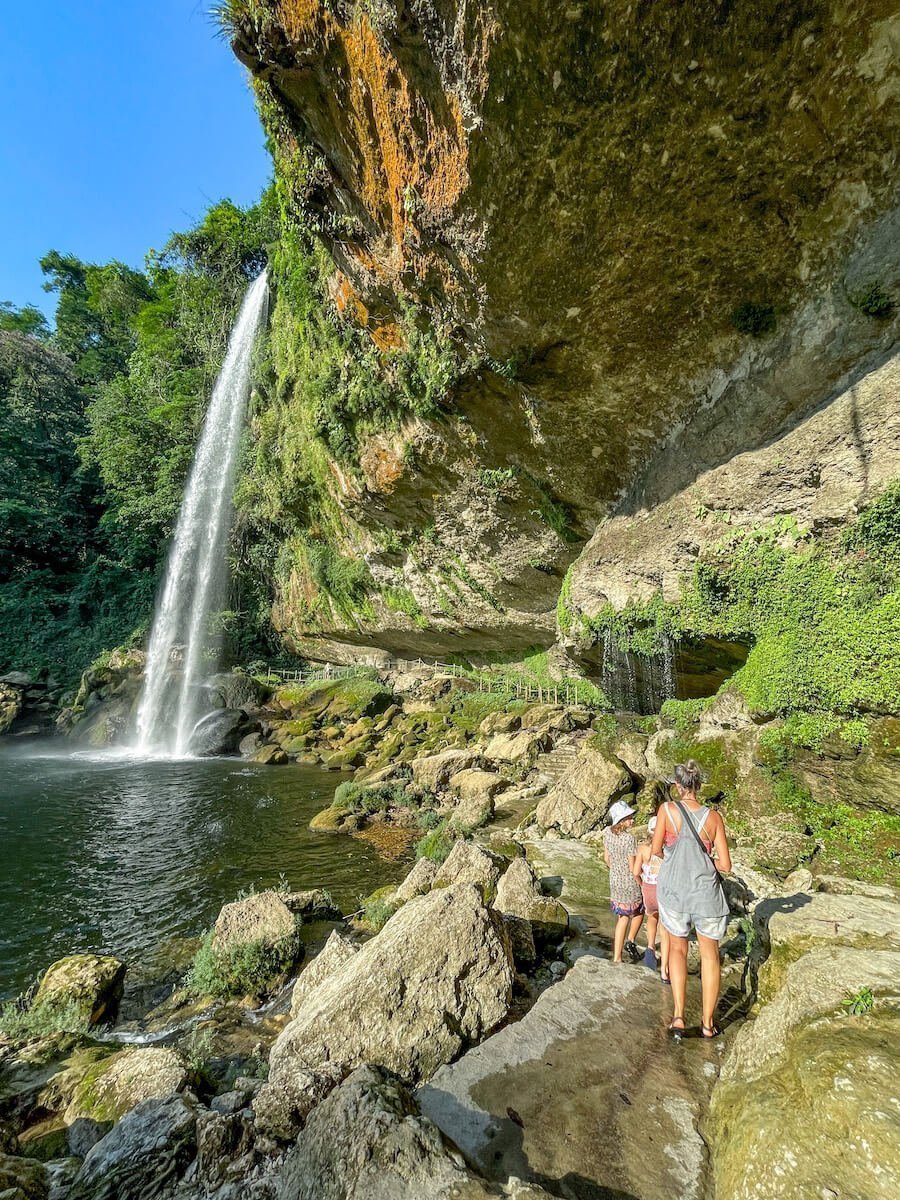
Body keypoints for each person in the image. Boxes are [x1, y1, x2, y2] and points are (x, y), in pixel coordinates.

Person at [651, 760, 732, 1039]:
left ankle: (679, 1016)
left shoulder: (667, 811)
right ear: (699, 786)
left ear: (677, 786)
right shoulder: (714, 818)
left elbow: (656, 849)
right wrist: (706, 857)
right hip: (706, 896)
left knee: (677, 950)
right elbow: (726, 865)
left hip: (674, 892)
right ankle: (708, 1023)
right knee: (711, 955)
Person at [602, 799, 644, 963]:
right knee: (639, 911)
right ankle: (631, 941)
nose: (632, 820)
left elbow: (606, 858)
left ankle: (617, 957)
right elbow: (634, 868)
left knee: (622, 918)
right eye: (629, 818)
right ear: (621, 820)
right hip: (629, 882)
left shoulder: (607, 832)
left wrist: (616, 870)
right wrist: (641, 882)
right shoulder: (629, 839)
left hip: (615, 880)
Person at [631, 814, 669, 980]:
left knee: (652, 918)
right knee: (665, 928)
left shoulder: (642, 849)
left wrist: (641, 883)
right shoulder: (667, 849)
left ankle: (650, 947)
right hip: (663, 890)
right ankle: (664, 970)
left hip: (647, 889)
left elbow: (635, 872)